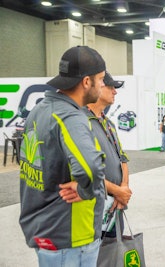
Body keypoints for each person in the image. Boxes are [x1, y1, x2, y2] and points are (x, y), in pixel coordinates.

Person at [19, 46, 106, 266]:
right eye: (101, 79)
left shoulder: (41, 109)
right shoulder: (70, 116)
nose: (104, 85)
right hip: (71, 236)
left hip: (44, 228)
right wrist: (87, 190)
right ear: (87, 82)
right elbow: (90, 167)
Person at [83, 71, 132, 237]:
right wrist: (118, 191)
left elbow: (122, 158)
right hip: (94, 207)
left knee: (112, 254)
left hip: (115, 205)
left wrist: (123, 188)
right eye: (111, 87)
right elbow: (83, 170)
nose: (115, 91)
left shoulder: (108, 123)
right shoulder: (81, 122)